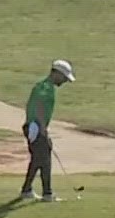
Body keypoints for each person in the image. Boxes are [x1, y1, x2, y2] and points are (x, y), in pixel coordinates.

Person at [19, 59, 75, 203]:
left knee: (40, 159)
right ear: (56, 74)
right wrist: (43, 129)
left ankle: (30, 190)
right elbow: (38, 106)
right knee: (43, 159)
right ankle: (45, 193)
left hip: (33, 126)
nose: (64, 81)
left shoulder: (42, 85)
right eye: (63, 77)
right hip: (36, 127)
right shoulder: (46, 88)